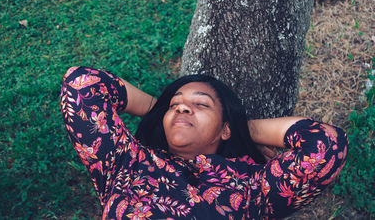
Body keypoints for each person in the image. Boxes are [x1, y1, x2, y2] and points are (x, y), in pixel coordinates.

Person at [60, 66, 348, 219]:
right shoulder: (125, 163)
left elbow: (326, 145)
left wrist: (245, 130)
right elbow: (82, 84)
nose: (183, 108)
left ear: (224, 130)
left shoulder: (252, 188)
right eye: (176, 104)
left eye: (202, 105)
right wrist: (158, 110)